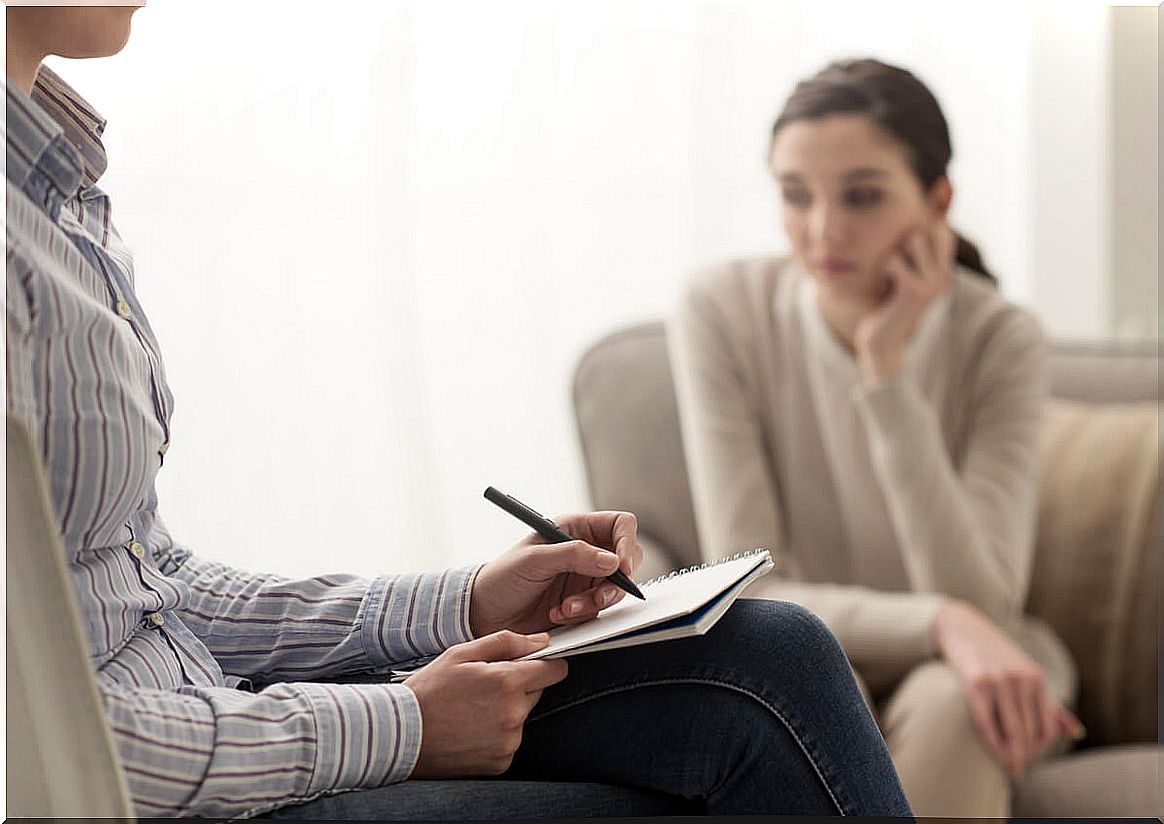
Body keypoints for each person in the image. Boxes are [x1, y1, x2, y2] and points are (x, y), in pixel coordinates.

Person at [5, 8, 916, 820]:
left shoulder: (59, 199)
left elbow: (148, 585)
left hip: (210, 708)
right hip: (155, 783)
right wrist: (399, 726)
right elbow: (29, 747)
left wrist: (465, 602)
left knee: (772, 655)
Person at [669, 58, 1085, 818]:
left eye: (862, 196)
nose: (823, 231)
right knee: (799, 692)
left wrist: (885, 377)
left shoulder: (1001, 340)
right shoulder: (721, 311)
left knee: (962, 706)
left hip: (982, 665)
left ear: (939, 201)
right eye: (795, 196)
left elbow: (983, 600)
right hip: (805, 652)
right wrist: (940, 622)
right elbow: (748, 582)